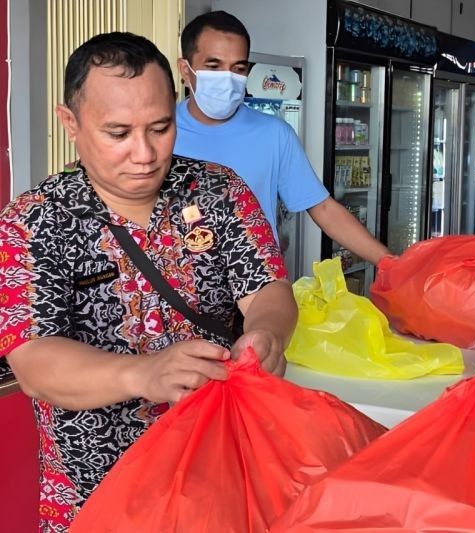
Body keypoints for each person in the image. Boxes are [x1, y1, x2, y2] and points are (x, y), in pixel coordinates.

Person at [0, 32, 298, 530]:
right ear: (70, 122)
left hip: (220, 476)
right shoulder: (32, 222)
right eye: (117, 133)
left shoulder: (219, 191)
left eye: (160, 128)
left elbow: (268, 288)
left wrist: (267, 334)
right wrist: (143, 374)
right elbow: (34, 359)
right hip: (98, 494)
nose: (144, 154)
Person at [174, 10, 391, 267]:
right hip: (180, 291)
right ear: (185, 70)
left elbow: (323, 208)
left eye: (238, 68)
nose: (227, 78)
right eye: (213, 66)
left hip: (259, 291)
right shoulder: (158, 133)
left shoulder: (275, 134)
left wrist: (388, 261)